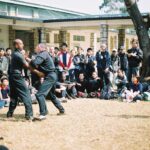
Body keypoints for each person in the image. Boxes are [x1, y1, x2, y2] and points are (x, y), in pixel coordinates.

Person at [27, 43, 65, 120]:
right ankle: (61, 110)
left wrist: (30, 61)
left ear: (41, 48)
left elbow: (35, 63)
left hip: (50, 76)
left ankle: (43, 114)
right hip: (52, 75)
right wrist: (30, 60)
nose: (35, 49)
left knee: (39, 94)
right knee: (51, 95)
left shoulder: (43, 53)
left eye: (36, 47)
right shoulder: (45, 54)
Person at [7, 39, 33, 120]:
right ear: (16, 45)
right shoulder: (17, 54)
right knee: (26, 94)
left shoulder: (15, 54)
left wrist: (25, 57)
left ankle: (10, 114)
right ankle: (29, 115)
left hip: (13, 76)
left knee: (14, 95)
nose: (23, 45)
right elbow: (27, 66)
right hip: (17, 76)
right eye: (21, 44)